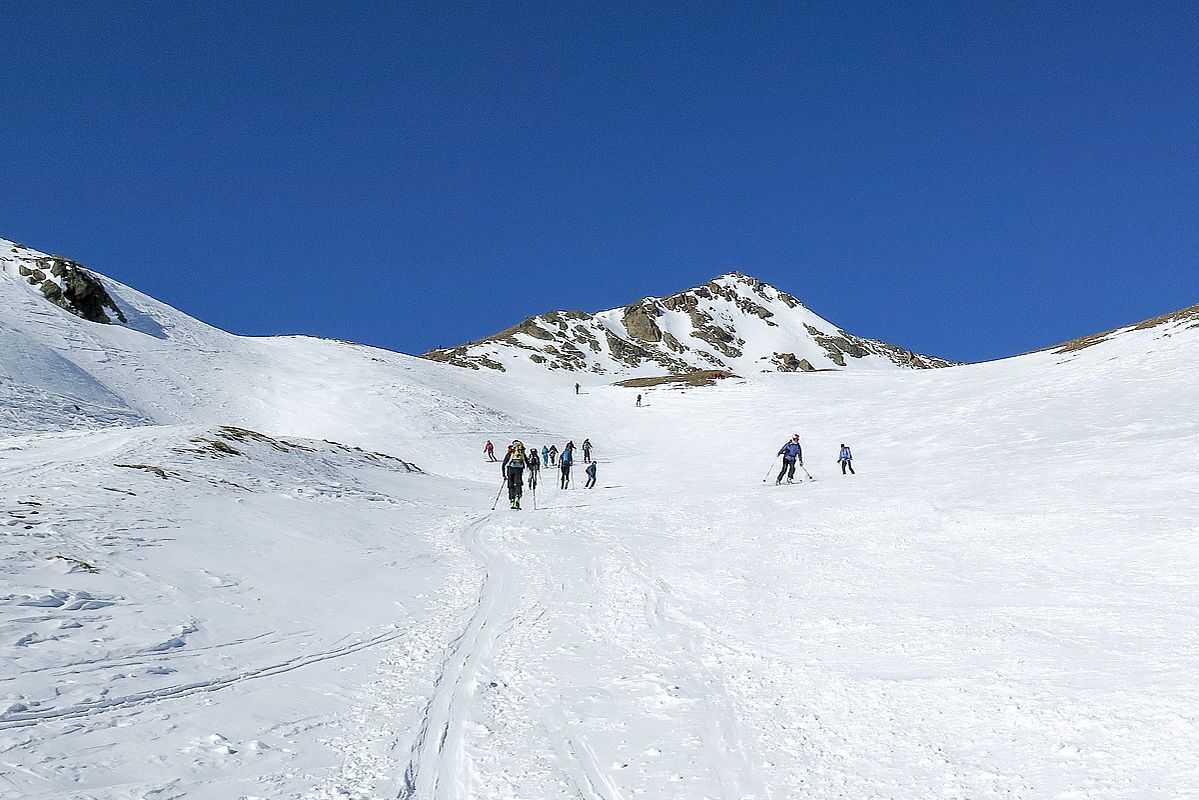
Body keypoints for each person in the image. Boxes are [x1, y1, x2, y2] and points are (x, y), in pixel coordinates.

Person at [501, 440, 528, 510]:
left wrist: (504, 474)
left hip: (510, 470)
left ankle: (512, 500)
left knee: (511, 485)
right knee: (518, 484)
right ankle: (517, 496)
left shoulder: (511, 452)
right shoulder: (521, 452)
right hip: (519, 470)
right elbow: (527, 462)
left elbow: (504, 464)